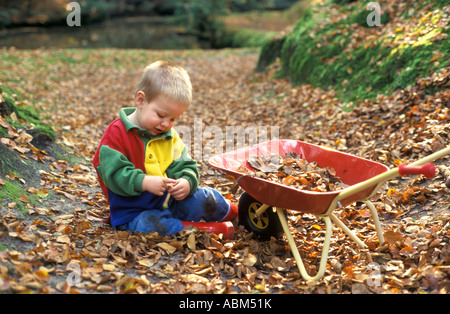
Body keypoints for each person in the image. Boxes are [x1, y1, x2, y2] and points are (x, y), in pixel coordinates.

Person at [92, 61, 237, 239]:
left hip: (169, 203)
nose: (166, 124)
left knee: (204, 197)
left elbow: (185, 164)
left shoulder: (168, 135)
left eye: (173, 119)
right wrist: (144, 181)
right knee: (153, 225)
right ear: (140, 100)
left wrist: (186, 181)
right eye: (161, 115)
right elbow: (113, 174)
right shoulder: (116, 134)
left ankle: (234, 211)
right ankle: (199, 230)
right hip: (132, 213)